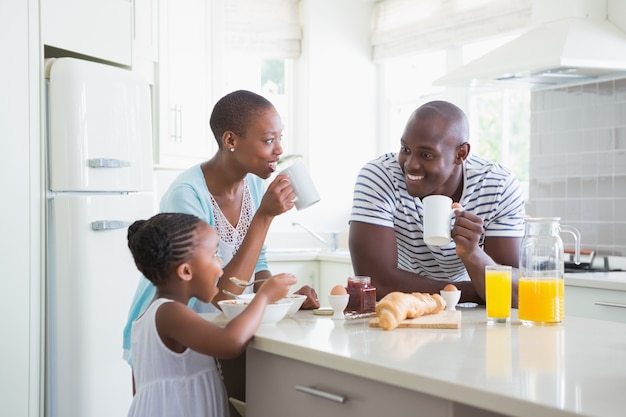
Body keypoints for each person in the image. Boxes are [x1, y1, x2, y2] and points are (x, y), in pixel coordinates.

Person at [122, 89, 320, 408]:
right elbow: (219, 296)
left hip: (213, 328)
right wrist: (264, 218)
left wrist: (285, 298)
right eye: (269, 140)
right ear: (231, 139)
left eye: (280, 138)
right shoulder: (187, 194)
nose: (279, 150)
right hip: (178, 332)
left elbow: (258, 261)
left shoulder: (254, 184)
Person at [349, 100, 525, 307]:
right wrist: (474, 291)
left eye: (426, 154)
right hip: (405, 311)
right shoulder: (380, 176)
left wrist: (473, 254)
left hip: (473, 320)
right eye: (405, 149)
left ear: (460, 154)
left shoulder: (498, 185)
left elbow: (514, 294)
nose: (410, 164)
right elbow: (377, 283)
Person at [126, 212, 296, 417]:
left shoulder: (150, 317)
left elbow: (141, 392)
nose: (221, 266)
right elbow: (230, 342)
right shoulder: (170, 313)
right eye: (215, 255)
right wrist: (265, 296)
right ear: (186, 272)